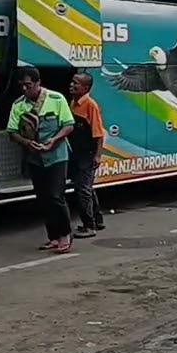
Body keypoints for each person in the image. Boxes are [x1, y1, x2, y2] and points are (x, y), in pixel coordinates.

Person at [6, 67, 76, 253]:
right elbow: (12, 132)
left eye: (28, 85)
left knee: (56, 196)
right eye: (22, 86)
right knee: (43, 198)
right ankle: (53, 237)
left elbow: (68, 125)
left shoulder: (56, 99)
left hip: (56, 156)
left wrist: (54, 140)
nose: (24, 89)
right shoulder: (19, 105)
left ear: (38, 83)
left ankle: (65, 235)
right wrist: (27, 143)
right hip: (35, 157)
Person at [67, 72, 106, 237]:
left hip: (87, 154)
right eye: (72, 81)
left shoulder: (90, 105)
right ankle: (98, 220)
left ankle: (89, 226)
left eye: (76, 83)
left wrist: (97, 156)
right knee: (86, 187)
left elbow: (98, 134)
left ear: (85, 87)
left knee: (82, 189)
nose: (71, 85)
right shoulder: (73, 103)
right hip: (77, 152)